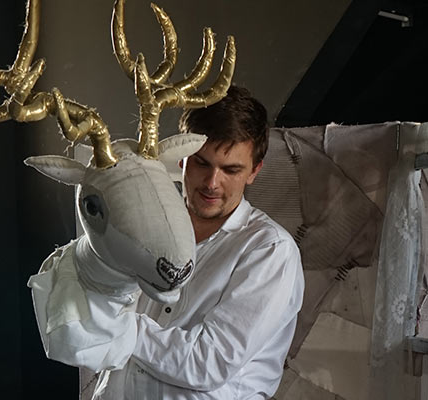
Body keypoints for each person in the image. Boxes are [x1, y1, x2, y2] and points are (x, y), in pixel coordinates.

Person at [29, 85, 305, 400]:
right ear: (182, 157)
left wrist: (118, 327)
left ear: (254, 171)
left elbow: (209, 363)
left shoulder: (270, 251)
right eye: (202, 163)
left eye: (231, 170)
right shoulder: (142, 227)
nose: (212, 183)